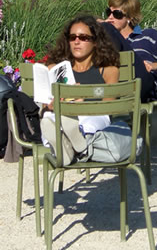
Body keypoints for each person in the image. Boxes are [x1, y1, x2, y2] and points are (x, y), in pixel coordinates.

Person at [40, 15, 120, 165]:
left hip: (94, 116)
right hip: (62, 115)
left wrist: (82, 105)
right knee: (49, 120)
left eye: (83, 37)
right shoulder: (56, 69)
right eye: (72, 37)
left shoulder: (108, 70)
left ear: (95, 42)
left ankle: (72, 146)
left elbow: (109, 106)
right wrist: (50, 106)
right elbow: (46, 105)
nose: (77, 41)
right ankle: (73, 150)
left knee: (86, 123)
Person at [105, 0, 157, 101]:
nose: (110, 17)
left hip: (143, 87)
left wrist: (156, 65)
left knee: (104, 28)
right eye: (108, 12)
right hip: (114, 87)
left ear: (130, 17)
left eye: (116, 14)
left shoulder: (149, 36)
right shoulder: (104, 41)